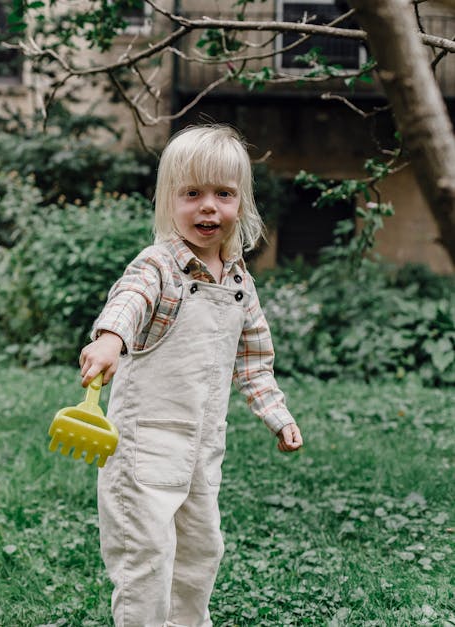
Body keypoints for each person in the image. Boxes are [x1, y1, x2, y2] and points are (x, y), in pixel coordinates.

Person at [78, 124, 303, 627]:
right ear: (169, 201)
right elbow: (130, 298)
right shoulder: (160, 265)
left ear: (241, 203)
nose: (208, 207)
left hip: (203, 447)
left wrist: (276, 412)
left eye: (223, 194)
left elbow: (253, 361)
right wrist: (111, 338)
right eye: (192, 193)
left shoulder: (241, 283)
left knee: (201, 553)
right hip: (144, 444)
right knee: (148, 556)